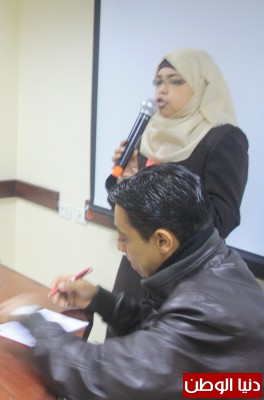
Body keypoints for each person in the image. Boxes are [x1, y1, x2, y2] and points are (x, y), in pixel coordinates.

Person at [0, 164, 264, 400]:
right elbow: (160, 337)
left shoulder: (203, 309)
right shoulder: (216, 260)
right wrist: (99, 300)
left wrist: (34, 320)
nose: (120, 247)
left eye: (124, 237)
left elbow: (100, 374)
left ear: (163, 241)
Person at [106, 48, 249, 335]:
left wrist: (162, 209)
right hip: (136, 271)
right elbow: (124, 210)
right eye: (158, 81)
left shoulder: (222, 139)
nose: (162, 90)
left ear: (201, 87)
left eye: (175, 81)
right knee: (121, 349)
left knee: (161, 358)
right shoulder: (149, 133)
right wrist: (129, 179)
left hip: (184, 281)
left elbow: (223, 219)